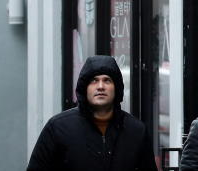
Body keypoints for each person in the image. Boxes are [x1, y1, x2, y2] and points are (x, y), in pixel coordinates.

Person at [27, 54, 156, 171]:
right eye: (94, 81)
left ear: (116, 88)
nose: (100, 86)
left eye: (107, 80)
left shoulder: (136, 131)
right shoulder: (58, 128)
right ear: (85, 88)